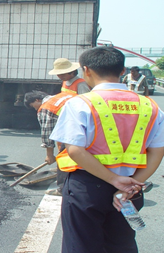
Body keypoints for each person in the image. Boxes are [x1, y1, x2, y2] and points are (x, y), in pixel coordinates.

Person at [50, 46, 164, 253]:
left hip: (88, 187)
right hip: (130, 188)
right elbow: (157, 152)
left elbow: (75, 150)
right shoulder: (151, 106)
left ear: (86, 70)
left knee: (81, 246)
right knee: (121, 244)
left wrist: (113, 179)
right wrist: (130, 186)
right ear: (122, 71)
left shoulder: (80, 104)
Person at [24, 90, 75, 196]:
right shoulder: (64, 95)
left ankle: (61, 189)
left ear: (37, 100)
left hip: (74, 132)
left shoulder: (46, 108)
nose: (36, 109)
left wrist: (50, 155)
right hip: (94, 128)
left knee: (63, 160)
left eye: (34, 106)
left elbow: (48, 134)